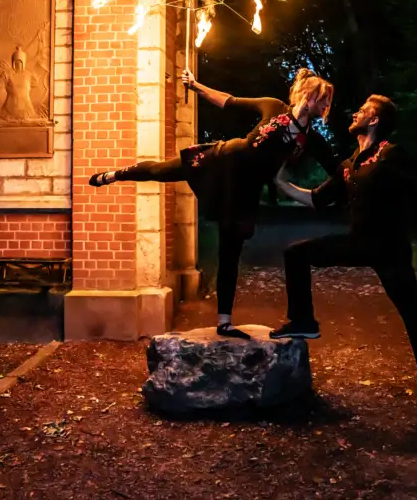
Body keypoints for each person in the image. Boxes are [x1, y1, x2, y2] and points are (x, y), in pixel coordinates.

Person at [271, 94, 417, 433]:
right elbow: (315, 198)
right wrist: (279, 181)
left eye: (363, 110)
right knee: (295, 252)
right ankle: (303, 320)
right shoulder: (351, 164)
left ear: (374, 120)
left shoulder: (391, 154)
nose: (356, 112)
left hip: (389, 249)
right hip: (358, 243)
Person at [88, 68, 337, 339]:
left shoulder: (310, 139)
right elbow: (228, 101)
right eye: (324, 98)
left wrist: (360, 175)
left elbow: (338, 168)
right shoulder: (273, 106)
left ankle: (224, 322)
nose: (327, 105)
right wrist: (196, 86)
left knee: (231, 248)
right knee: (162, 171)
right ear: (308, 96)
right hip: (222, 161)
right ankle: (113, 175)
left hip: (243, 190)